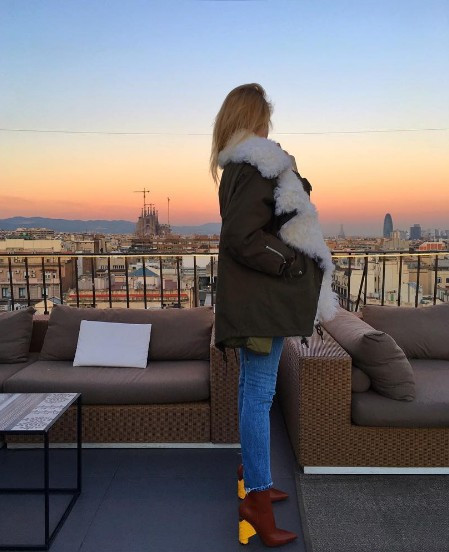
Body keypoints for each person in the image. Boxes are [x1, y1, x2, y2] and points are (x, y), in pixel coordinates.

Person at [210, 83, 338, 547]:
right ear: (256, 120)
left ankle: (254, 478)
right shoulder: (257, 165)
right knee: (259, 396)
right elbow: (242, 237)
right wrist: (291, 263)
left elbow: (245, 231)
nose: (269, 126)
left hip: (257, 302)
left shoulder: (239, 166)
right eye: (265, 118)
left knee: (252, 391)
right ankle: (257, 500)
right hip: (264, 304)